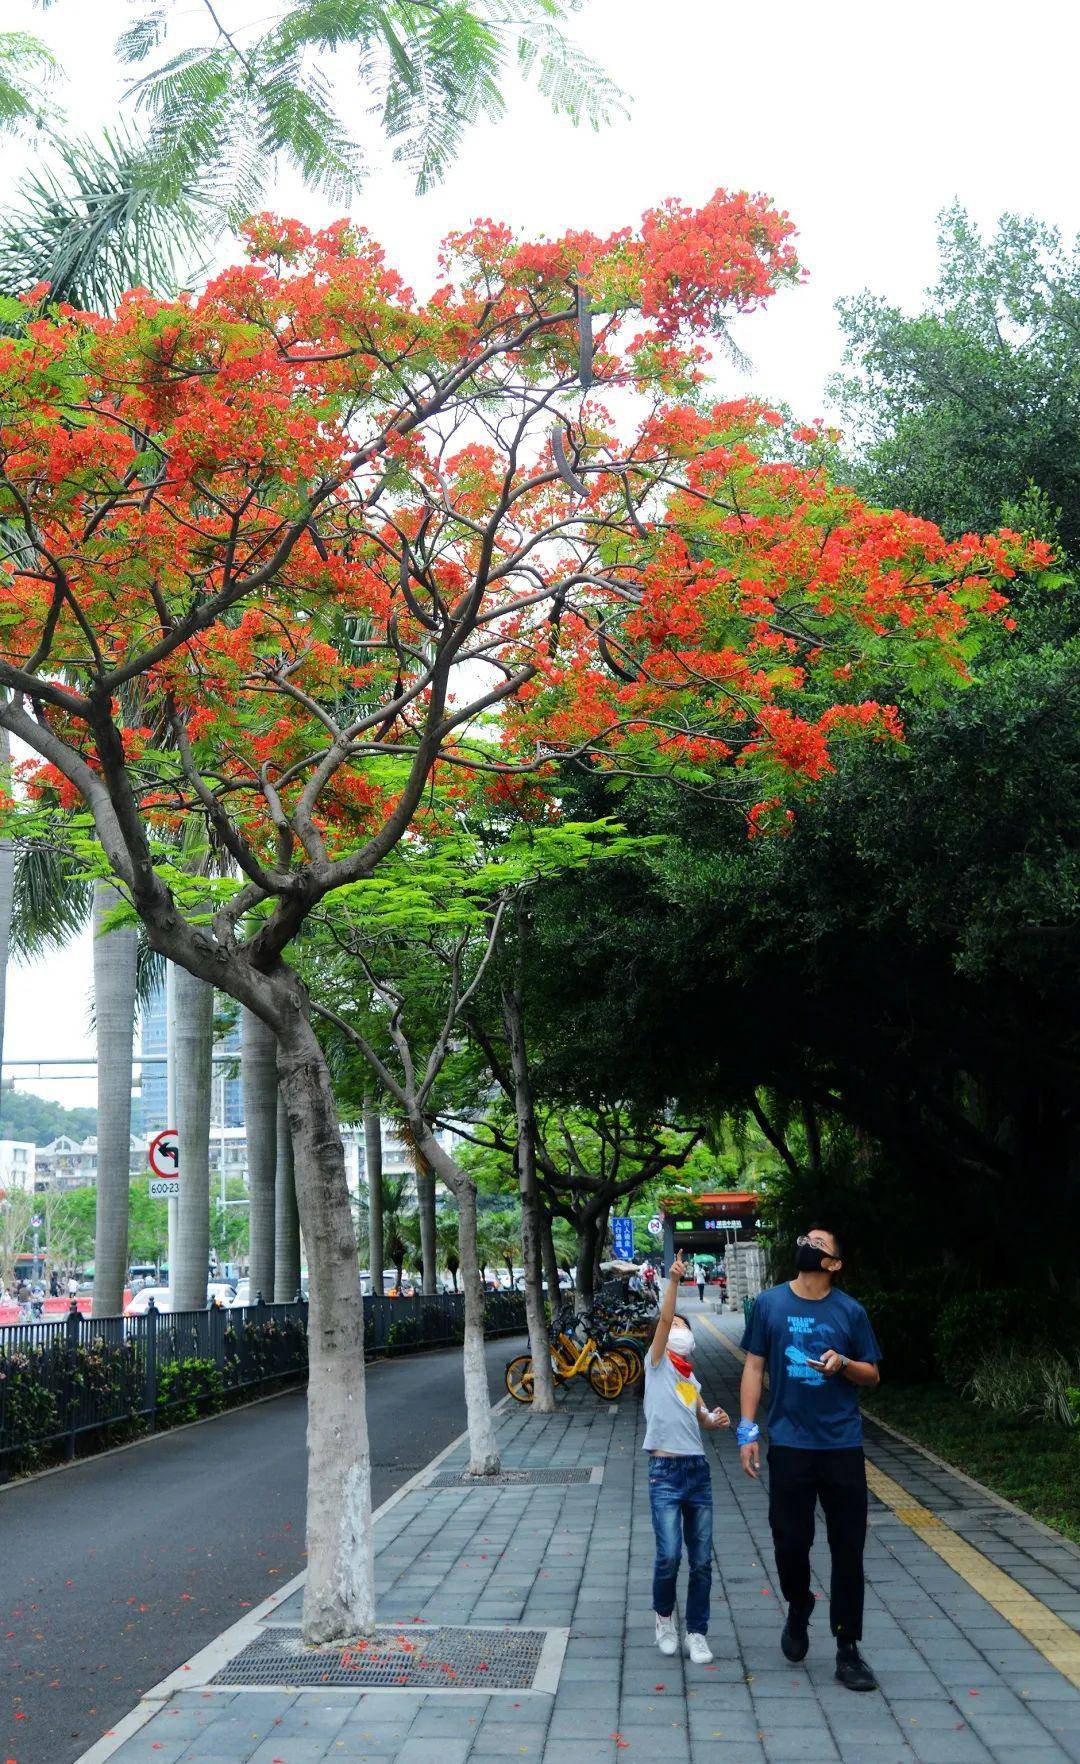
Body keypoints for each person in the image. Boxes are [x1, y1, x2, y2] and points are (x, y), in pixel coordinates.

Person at [739, 1224, 882, 1693]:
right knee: (789, 1543)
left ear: (833, 1265)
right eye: (806, 1238)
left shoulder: (851, 1312)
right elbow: (754, 1366)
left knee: (848, 1550)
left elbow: (872, 1374)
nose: (808, 1243)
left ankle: (848, 1648)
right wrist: (747, 1428)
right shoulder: (769, 1304)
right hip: (790, 1445)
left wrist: (843, 1364)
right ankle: (799, 1605)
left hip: (841, 1446)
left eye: (820, 1243)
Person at [644, 1250, 730, 1665]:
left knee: (700, 1562)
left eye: (682, 1325)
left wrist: (715, 1420)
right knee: (669, 1556)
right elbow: (663, 1320)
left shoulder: (689, 1376)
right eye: (674, 1323)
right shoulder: (656, 1362)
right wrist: (673, 1282)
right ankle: (664, 1618)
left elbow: (699, 1415)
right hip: (664, 1471)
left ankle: (696, 1631)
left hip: (697, 1471)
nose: (677, 1327)